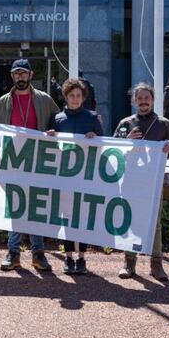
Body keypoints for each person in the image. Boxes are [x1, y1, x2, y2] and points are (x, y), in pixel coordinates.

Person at [0, 58, 60, 272]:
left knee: (36, 207)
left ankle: (38, 253)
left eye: (23, 73)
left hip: (38, 161)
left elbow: (58, 123)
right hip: (13, 161)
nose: (20, 77)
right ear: (12, 76)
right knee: (15, 207)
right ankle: (13, 252)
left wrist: (54, 134)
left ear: (31, 75)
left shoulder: (44, 99)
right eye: (16, 73)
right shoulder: (3, 101)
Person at [113, 82, 169, 281]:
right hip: (130, 181)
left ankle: (156, 265)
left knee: (155, 223)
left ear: (153, 100)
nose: (143, 101)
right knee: (130, 220)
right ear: (134, 101)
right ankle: (129, 262)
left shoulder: (163, 124)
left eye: (147, 98)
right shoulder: (125, 123)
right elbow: (113, 150)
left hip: (153, 182)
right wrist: (127, 140)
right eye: (140, 98)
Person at [46, 78, 103, 275]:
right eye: (72, 96)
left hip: (85, 176)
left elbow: (104, 146)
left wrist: (95, 139)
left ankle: (82, 258)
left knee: (83, 218)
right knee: (67, 218)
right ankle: (69, 258)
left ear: (83, 97)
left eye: (79, 96)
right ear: (66, 97)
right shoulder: (58, 119)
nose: (75, 99)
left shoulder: (93, 117)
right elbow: (49, 149)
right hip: (65, 177)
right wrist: (50, 136)